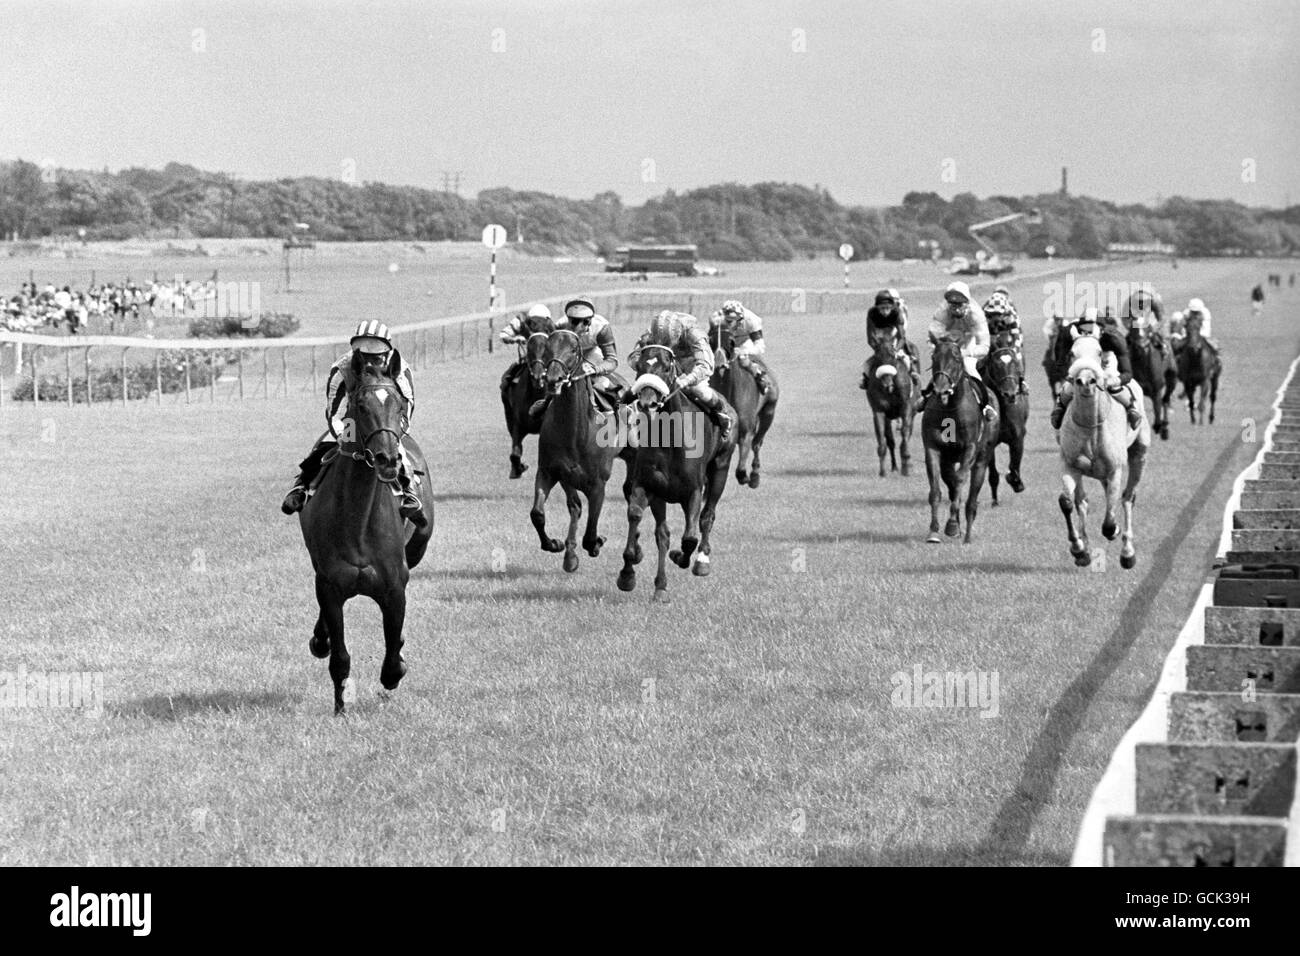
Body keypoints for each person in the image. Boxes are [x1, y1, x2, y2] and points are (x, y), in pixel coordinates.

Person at [280, 320, 427, 526]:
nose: (370, 359)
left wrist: (393, 432)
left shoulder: (400, 369)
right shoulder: (342, 370)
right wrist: (343, 436)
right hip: (351, 416)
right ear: (355, 351)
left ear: (386, 352)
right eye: (364, 353)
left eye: (375, 353)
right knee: (326, 443)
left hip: (387, 417)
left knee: (393, 447)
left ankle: (410, 493)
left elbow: (407, 404)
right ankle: (302, 486)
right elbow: (335, 413)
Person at [631, 310, 733, 439]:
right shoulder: (652, 333)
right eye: (659, 340)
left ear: (678, 333)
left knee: (699, 390)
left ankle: (721, 413)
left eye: (668, 340)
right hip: (665, 365)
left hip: (690, 366)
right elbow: (634, 356)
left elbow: (705, 365)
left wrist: (688, 379)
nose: (663, 342)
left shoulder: (694, 334)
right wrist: (644, 368)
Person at [528, 297, 623, 420]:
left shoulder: (601, 327)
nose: (579, 326)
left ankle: (611, 408)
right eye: (574, 322)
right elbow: (553, 351)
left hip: (591, 354)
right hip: (569, 355)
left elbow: (612, 360)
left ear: (590, 320)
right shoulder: (561, 325)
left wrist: (596, 369)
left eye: (585, 322)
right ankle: (546, 403)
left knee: (601, 383)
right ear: (568, 319)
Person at [1049, 308, 1143, 432]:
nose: (1087, 333)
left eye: (1091, 328)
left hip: (1106, 361)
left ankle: (1131, 408)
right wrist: (1068, 375)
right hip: (1081, 361)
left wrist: (1113, 380)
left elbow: (1127, 373)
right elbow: (1060, 362)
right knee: (1070, 385)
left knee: (1111, 383)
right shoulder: (1069, 333)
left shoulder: (1114, 338)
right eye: (1084, 328)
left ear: (1102, 329)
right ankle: (1060, 407)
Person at [917, 281, 996, 420]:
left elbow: (984, 346)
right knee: (942, 364)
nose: (956, 309)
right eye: (952, 305)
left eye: (960, 305)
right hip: (948, 341)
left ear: (967, 303)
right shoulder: (942, 311)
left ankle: (985, 405)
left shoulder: (976, 314)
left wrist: (964, 353)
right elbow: (934, 332)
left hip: (969, 344)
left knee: (968, 366)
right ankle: (928, 395)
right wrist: (945, 348)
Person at [710, 298, 773, 394]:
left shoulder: (752, 320)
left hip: (744, 342)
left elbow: (760, 347)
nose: (727, 324)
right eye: (726, 320)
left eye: (730, 322)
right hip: (726, 340)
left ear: (739, 319)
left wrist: (743, 352)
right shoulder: (717, 318)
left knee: (743, 359)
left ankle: (759, 376)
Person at [864, 288, 920, 387]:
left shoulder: (897, 312)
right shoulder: (872, 313)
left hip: (894, 336)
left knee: (908, 355)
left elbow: (901, 337)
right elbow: (870, 336)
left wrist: (896, 349)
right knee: (867, 365)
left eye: (887, 308)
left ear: (892, 306)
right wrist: (878, 349)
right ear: (877, 307)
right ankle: (865, 378)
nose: (885, 312)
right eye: (882, 308)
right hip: (880, 337)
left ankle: (913, 374)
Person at [980, 288, 1028, 394]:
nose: (996, 317)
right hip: (989, 334)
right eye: (994, 314)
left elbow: (1016, 334)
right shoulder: (983, 314)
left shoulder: (1011, 314)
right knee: (981, 355)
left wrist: (1014, 349)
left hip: (1007, 333)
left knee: (1018, 355)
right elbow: (982, 335)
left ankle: (1021, 381)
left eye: (999, 314)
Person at [499, 303, 554, 392]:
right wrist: (514, 339)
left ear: (547, 320)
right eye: (535, 321)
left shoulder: (551, 327)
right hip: (527, 356)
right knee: (505, 381)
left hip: (545, 359)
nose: (538, 325)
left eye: (541, 321)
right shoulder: (520, 321)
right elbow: (503, 335)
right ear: (529, 319)